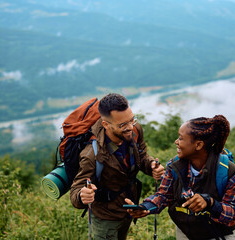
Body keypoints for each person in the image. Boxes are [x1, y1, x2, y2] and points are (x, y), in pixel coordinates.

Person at [125, 115, 235, 240]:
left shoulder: (228, 172)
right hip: (187, 232)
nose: (176, 141)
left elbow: (234, 213)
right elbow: (164, 196)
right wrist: (145, 208)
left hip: (218, 234)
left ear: (198, 145)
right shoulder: (175, 166)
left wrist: (210, 203)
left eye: (181, 138)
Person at [70, 93, 165, 240]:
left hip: (128, 209)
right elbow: (76, 192)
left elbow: (142, 155)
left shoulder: (135, 130)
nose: (129, 128)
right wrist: (82, 195)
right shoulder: (91, 154)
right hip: (105, 218)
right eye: (122, 125)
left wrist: (152, 166)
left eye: (131, 120)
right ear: (106, 124)